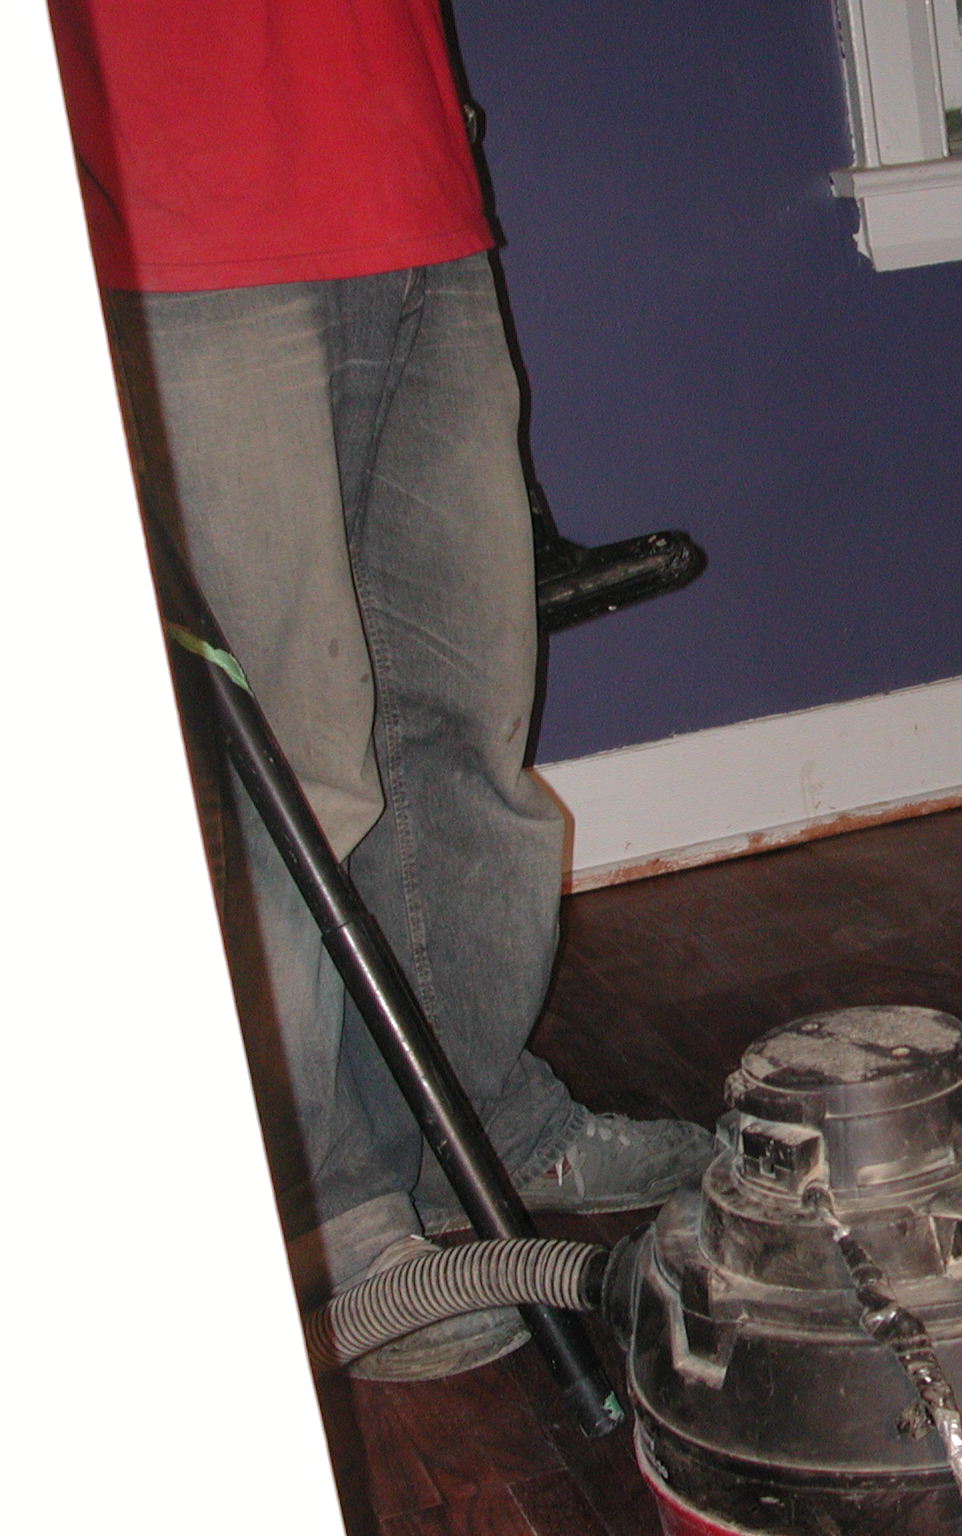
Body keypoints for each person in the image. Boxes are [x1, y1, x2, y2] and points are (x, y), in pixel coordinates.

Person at [47, 0, 710, 1378]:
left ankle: (477, 1120)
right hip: (171, 211)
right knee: (285, 774)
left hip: (411, 186)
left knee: (460, 729)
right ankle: (330, 1214)